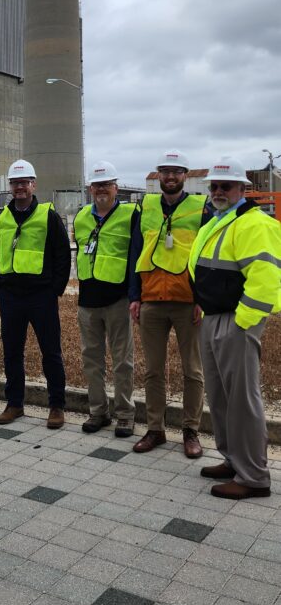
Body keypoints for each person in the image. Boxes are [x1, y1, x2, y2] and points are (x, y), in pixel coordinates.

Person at [189, 158, 281, 499]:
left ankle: (254, 477)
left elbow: (266, 279)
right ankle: (233, 460)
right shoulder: (220, 220)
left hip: (235, 320)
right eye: (214, 186)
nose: (217, 191)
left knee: (242, 399)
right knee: (222, 396)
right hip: (214, 317)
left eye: (225, 186)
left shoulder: (253, 223)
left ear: (243, 189)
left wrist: (244, 322)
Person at [129, 150, 212, 457]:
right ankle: (155, 429)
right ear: (158, 176)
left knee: (193, 371)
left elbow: (207, 256)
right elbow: (135, 251)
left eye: (176, 171)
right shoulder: (145, 206)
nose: (170, 176)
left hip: (187, 301)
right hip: (151, 299)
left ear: (185, 175)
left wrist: (202, 298)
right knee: (153, 371)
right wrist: (135, 296)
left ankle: (191, 431)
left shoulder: (201, 208)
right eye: (165, 171)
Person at [0, 159, 71, 429]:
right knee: (12, 352)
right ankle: (14, 404)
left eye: (24, 182)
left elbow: (62, 256)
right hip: (10, 296)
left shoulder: (48, 215)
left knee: (51, 352)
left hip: (41, 296)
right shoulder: (2, 217)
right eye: (15, 183)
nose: (20, 187)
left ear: (33, 185)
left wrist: (54, 289)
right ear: (10, 186)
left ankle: (57, 406)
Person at [73, 162, 138, 437]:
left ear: (116, 188)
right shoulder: (81, 216)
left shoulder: (131, 214)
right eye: (97, 185)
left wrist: (135, 296)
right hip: (88, 301)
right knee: (92, 359)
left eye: (106, 185)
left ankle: (125, 415)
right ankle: (98, 412)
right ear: (90, 189)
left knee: (122, 360)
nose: (101, 190)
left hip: (118, 300)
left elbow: (136, 257)